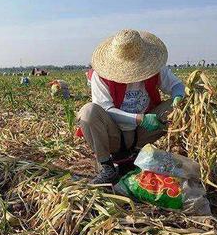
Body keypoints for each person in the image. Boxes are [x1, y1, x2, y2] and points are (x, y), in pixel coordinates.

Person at [78, 29, 185, 184]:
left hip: (144, 132)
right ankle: (107, 166)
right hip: (114, 135)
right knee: (88, 112)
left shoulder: (154, 68)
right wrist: (139, 119)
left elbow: (176, 85)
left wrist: (177, 97)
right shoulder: (100, 76)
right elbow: (106, 109)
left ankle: (145, 153)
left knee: (185, 105)